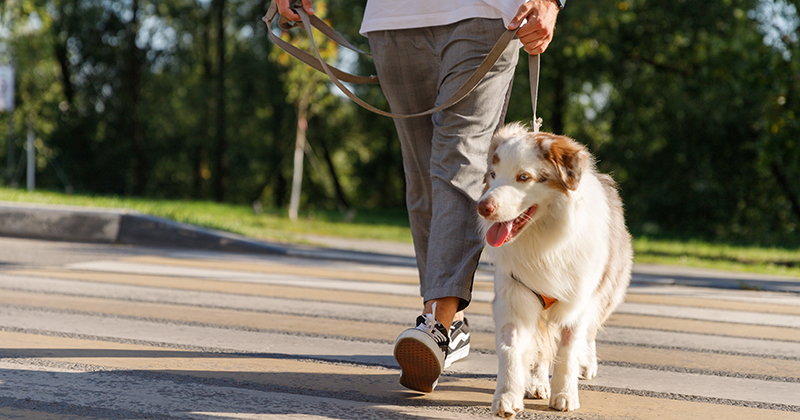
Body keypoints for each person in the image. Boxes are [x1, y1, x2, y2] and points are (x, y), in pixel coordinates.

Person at [276, 0, 561, 393]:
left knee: (458, 160)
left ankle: (437, 323)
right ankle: (448, 323)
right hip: (394, 19)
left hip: (488, 13)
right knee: (423, 174)